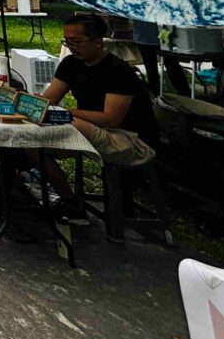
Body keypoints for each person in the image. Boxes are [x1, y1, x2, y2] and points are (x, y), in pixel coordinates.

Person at [37, 13, 161, 222]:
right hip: (94, 129)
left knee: (67, 123)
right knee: (29, 139)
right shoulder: (70, 64)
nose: (71, 47)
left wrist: (68, 114)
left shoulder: (118, 71)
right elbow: (48, 100)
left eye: (76, 42)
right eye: (67, 42)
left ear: (97, 42)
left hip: (129, 138)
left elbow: (111, 119)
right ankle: (69, 198)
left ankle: (78, 204)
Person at [132, 19, 190, 96]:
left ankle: (156, 96)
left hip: (145, 35)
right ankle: (185, 93)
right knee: (171, 65)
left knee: (152, 68)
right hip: (162, 34)